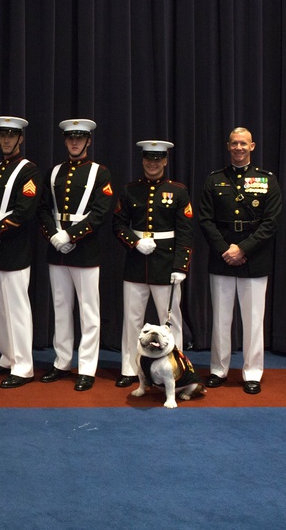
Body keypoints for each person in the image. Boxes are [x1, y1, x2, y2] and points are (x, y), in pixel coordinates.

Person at [198, 127, 282, 394]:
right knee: (221, 318)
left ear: (252, 146)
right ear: (228, 146)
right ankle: (218, 369)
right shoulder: (214, 180)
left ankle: (252, 372)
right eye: (234, 143)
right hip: (222, 256)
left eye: (243, 143)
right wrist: (226, 250)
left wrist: (243, 249)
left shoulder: (266, 179)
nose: (238, 148)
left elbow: (271, 222)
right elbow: (205, 219)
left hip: (254, 257)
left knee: (254, 319)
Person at [37, 119, 114, 392]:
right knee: (60, 308)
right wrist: (54, 237)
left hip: (85, 249)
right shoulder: (54, 172)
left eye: (80, 138)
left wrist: (70, 236)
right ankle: (61, 362)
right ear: (65, 141)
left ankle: (87, 368)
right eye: (70, 138)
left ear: (88, 141)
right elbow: (44, 208)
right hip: (57, 250)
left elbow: (101, 212)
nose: (75, 142)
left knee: (89, 312)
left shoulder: (99, 173)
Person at [113, 140, 194, 388]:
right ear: (142, 160)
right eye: (149, 158)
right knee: (132, 320)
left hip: (166, 265)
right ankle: (129, 367)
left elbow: (185, 232)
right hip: (137, 263)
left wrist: (181, 266)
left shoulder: (177, 191)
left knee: (171, 321)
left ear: (165, 161)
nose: (153, 163)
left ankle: (177, 368)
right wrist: (134, 242)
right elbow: (118, 224)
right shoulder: (129, 190)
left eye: (158, 158)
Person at [0, 116, 41, 389]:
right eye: (3, 136)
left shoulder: (29, 171)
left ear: (20, 139)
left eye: (11, 136)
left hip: (14, 247)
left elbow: (24, 213)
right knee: (2, 309)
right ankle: (8, 356)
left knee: (17, 309)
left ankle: (23, 366)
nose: (6, 140)